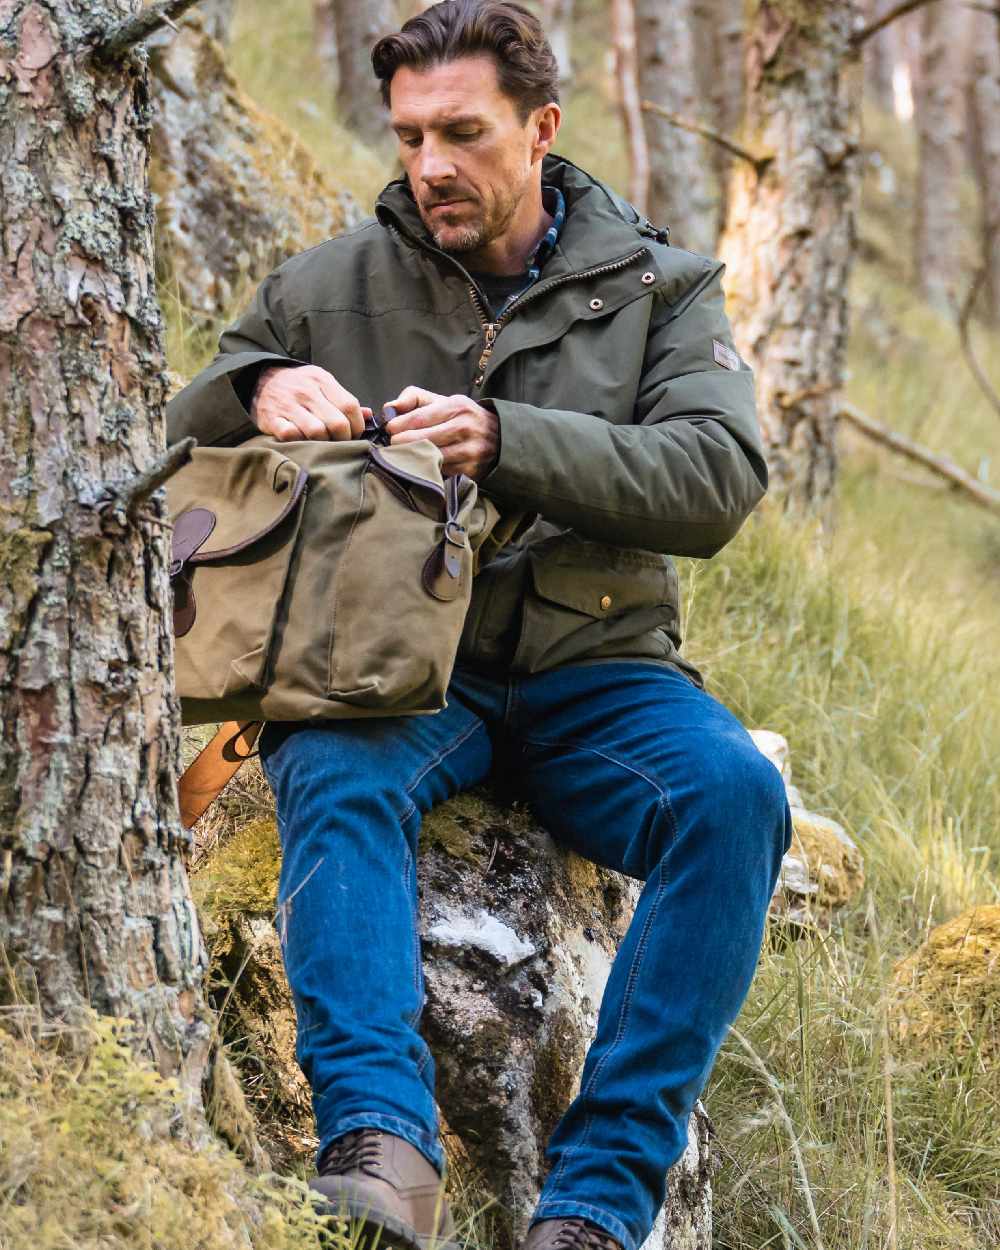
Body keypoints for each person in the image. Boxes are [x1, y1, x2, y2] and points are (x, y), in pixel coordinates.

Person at [167, 4, 791, 1249]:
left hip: (599, 672)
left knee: (732, 799)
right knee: (326, 763)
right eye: (408, 136)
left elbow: (719, 476)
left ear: (541, 127)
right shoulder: (328, 281)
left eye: (461, 131)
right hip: (395, 669)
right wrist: (254, 387)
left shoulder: (660, 289)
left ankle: (598, 1205)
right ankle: (377, 1146)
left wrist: (508, 439)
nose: (429, 164)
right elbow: (185, 439)